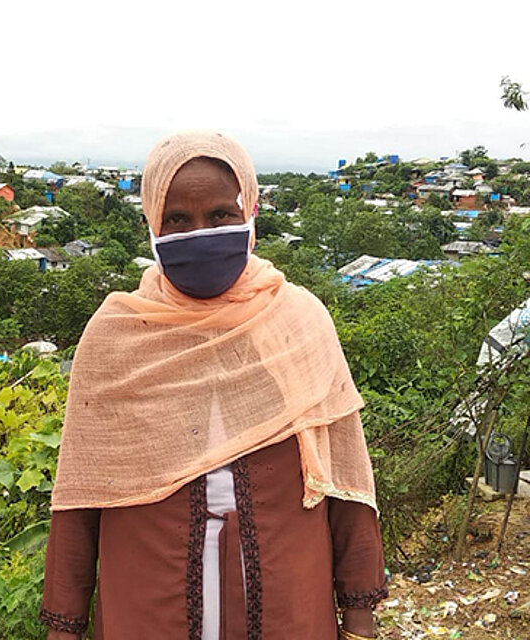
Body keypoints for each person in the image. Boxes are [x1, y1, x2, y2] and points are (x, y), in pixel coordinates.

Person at [39, 131, 386, 640]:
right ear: (152, 223)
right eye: (178, 219)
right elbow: (81, 493)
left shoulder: (298, 323)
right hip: (148, 602)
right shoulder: (116, 336)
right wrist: (64, 626)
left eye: (221, 215)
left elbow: (345, 479)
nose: (200, 232)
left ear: (250, 213)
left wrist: (359, 615)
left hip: (289, 600)